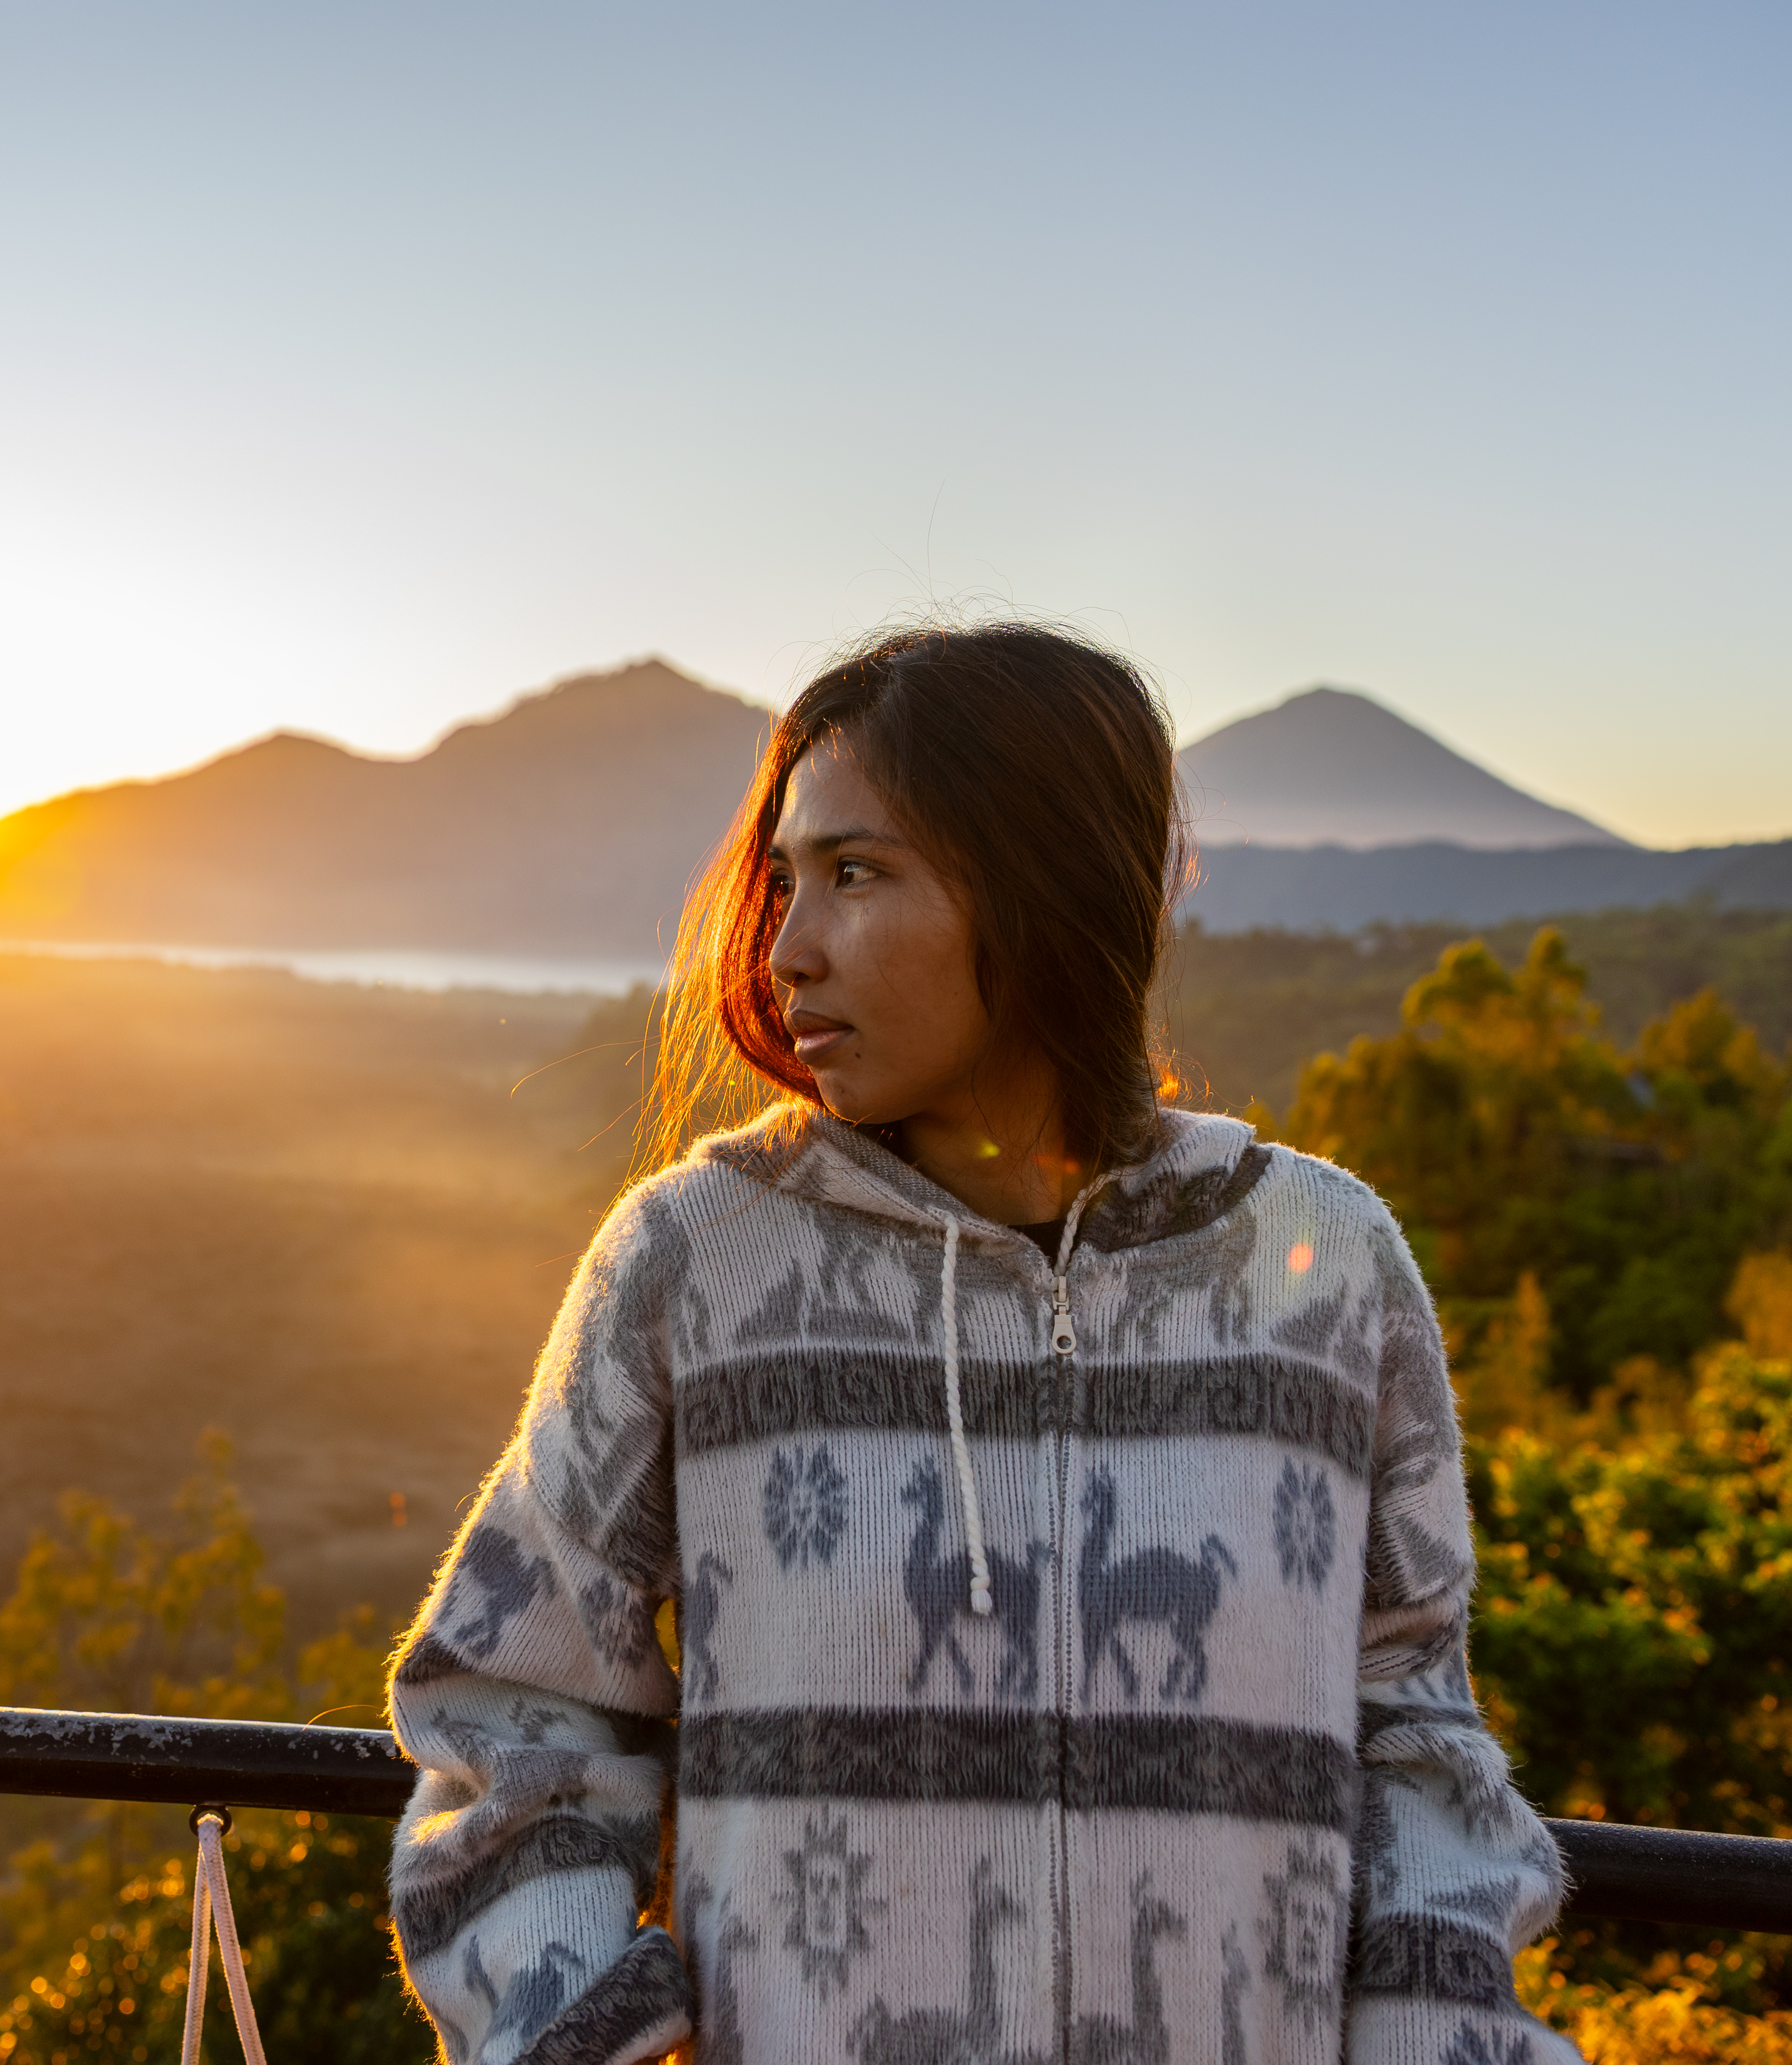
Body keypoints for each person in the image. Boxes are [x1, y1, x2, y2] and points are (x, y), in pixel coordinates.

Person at [383, 621, 1580, 2065]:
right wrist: (580, 2041)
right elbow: (516, 1721)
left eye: (858, 873)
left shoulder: (1325, 1270)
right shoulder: (695, 1262)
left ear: (1047, 882)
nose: (788, 951)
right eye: (784, 883)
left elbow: (1416, 1747)